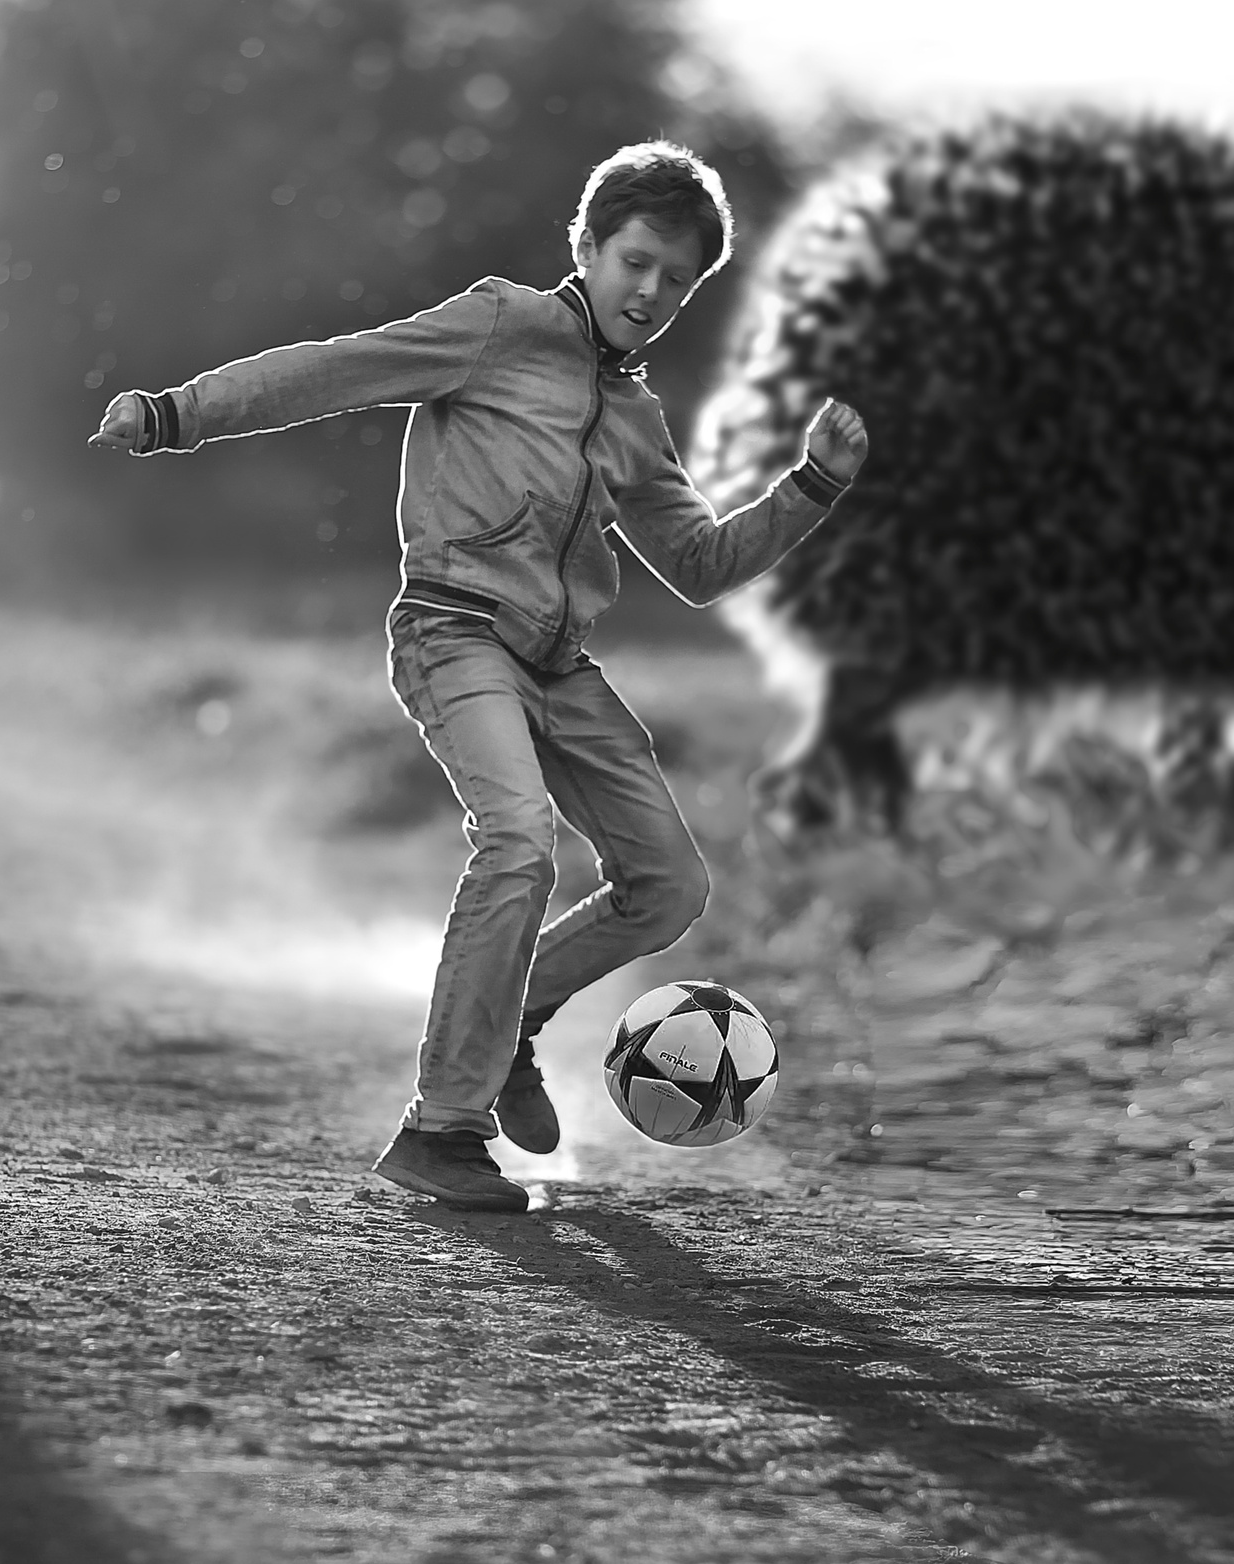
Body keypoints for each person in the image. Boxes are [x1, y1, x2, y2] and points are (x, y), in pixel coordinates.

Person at [92, 138, 868, 1210]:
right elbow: (334, 368)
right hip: (453, 630)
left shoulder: (636, 418)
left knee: (672, 886)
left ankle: (515, 1021)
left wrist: (812, 484)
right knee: (518, 840)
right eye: (637, 261)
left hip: (560, 665)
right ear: (589, 248)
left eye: (678, 281)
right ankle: (441, 1130)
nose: (652, 291)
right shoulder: (502, 325)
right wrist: (179, 413)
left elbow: (696, 566)